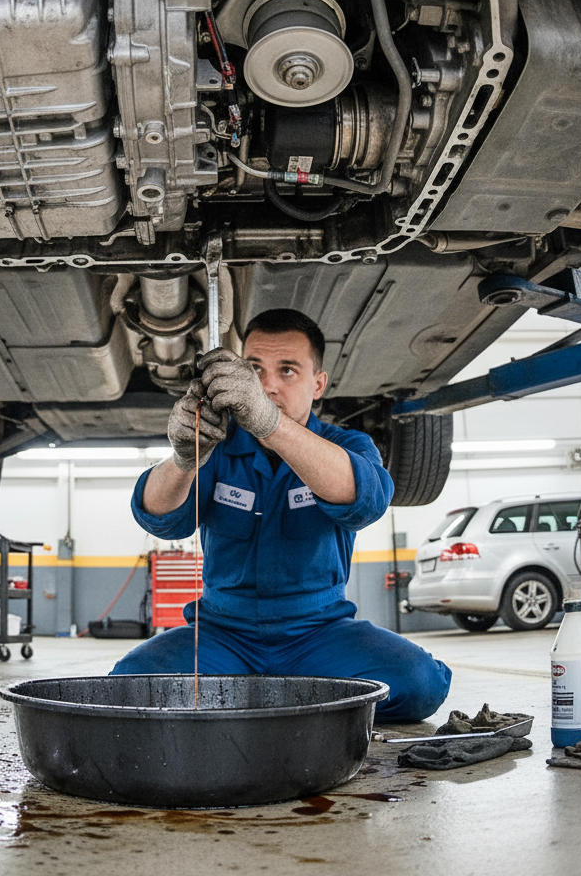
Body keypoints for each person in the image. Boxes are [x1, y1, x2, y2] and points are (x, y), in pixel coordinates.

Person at [111, 308, 451, 722]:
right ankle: (304, 703)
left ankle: (248, 703)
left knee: (419, 683)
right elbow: (159, 517)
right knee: (126, 686)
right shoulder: (216, 445)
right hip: (222, 636)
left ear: (318, 384)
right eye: (254, 369)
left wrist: (269, 424)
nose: (267, 386)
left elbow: (367, 499)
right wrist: (184, 460)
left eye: (287, 370)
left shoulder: (347, 445)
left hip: (318, 635)